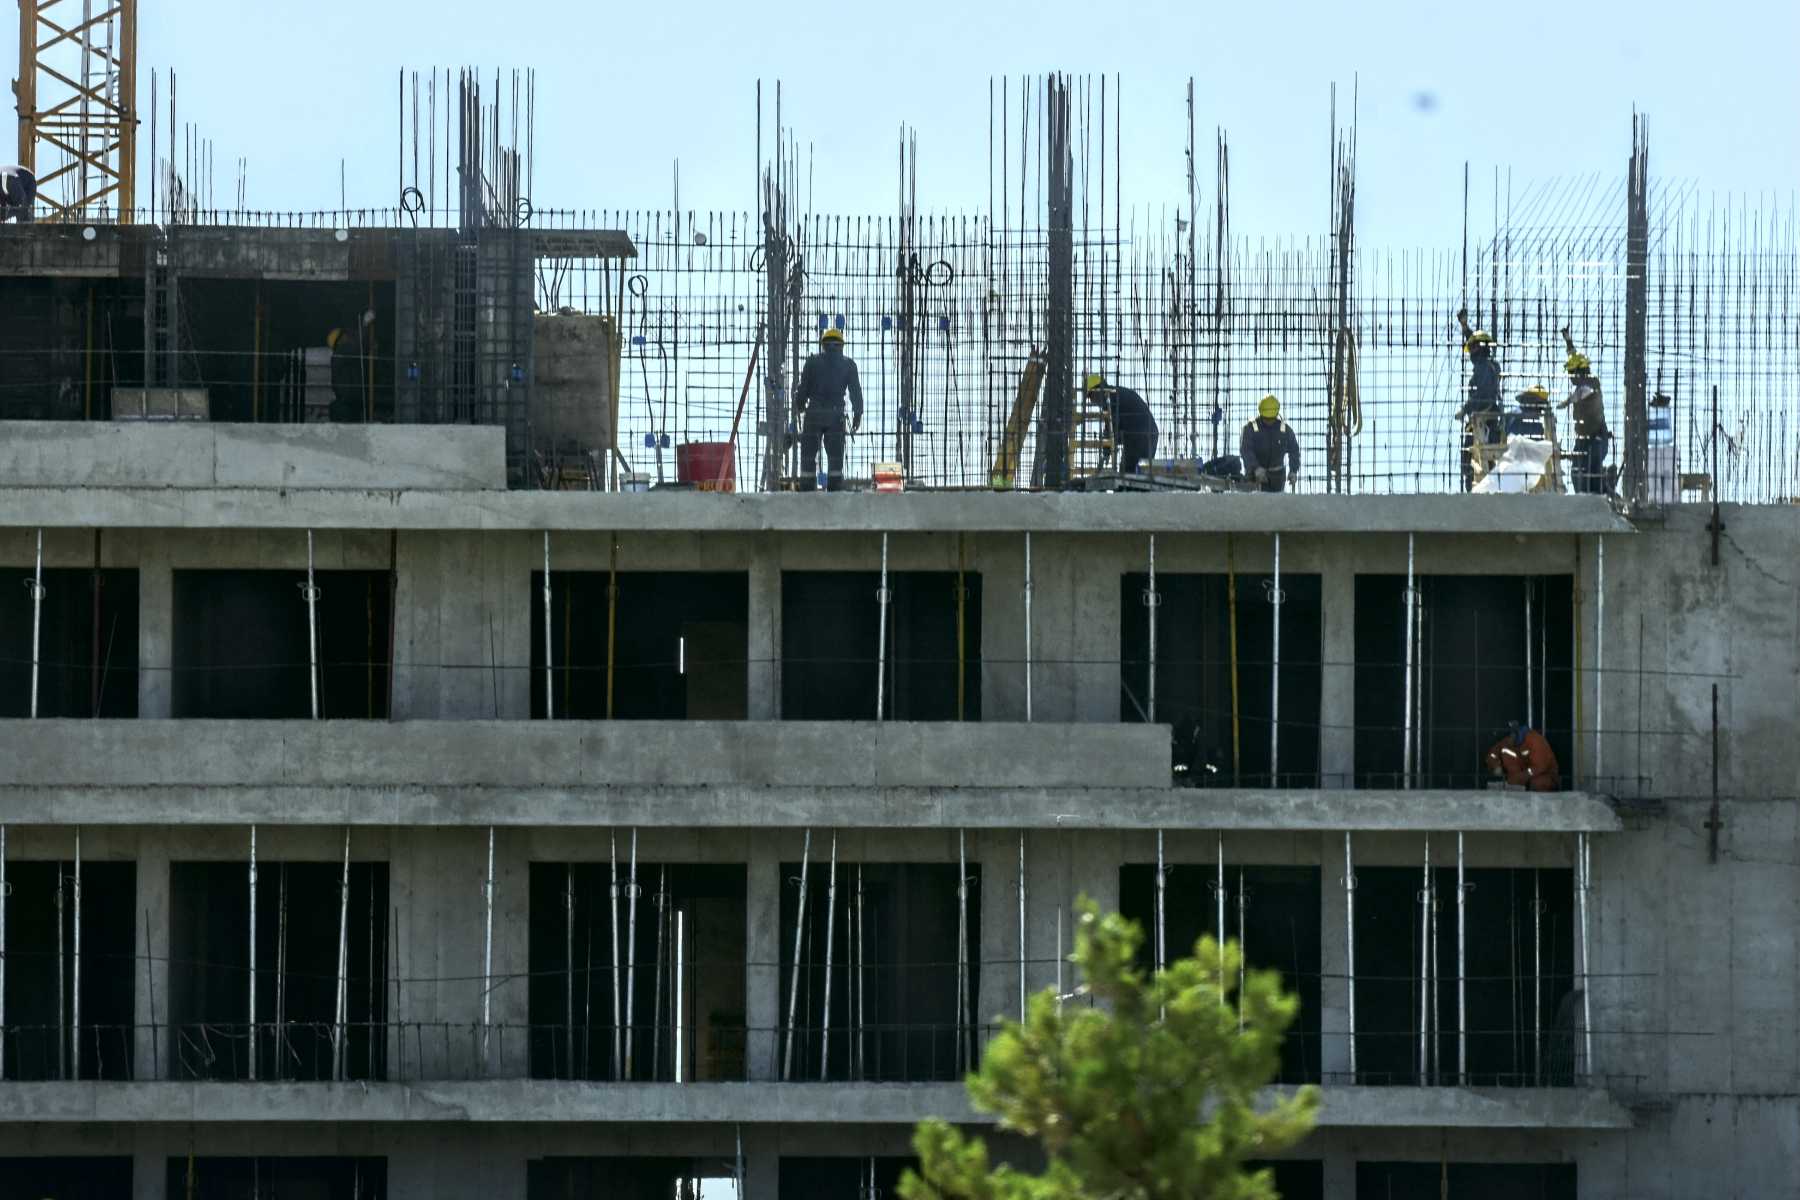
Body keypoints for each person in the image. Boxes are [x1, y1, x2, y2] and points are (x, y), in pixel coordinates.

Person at [794, 327, 864, 492]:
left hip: (814, 413)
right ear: (842, 346)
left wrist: (800, 404)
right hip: (835, 414)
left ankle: (806, 488)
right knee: (835, 454)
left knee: (808, 452)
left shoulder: (812, 362)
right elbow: (856, 391)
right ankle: (835, 488)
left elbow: (803, 388)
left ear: (823, 345)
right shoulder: (848, 365)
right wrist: (858, 414)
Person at [1558, 326, 1611, 495]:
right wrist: (1568, 340)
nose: (1571, 377)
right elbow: (1574, 356)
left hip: (1596, 439)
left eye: (1573, 374)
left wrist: (1565, 403)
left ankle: (1602, 494)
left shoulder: (1590, 385)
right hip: (1584, 438)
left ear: (1580, 372)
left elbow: (1580, 393)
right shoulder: (1582, 380)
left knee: (1591, 474)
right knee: (1577, 472)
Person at [1454, 308, 1502, 490]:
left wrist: (1464, 409)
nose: (1471, 352)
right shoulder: (1488, 365)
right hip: (1485, 420)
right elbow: (1476, 340)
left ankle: (1474, 493)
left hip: (1484, 421)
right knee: (1476, 463)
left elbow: (1482, 395)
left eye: (1473, 348)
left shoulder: (1484, 368)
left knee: (1473, 461)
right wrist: (1465, 327)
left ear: (1480, 349)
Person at [1084, 373, 1159, 474]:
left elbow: (1112, 427)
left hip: (1139, 435)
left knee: (1127, 473)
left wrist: (1106, 451)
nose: (1092, 401)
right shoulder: (1114, 394)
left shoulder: (1110, 398)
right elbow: (1113, 429)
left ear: (1096, 390)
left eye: (1090, 396)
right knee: (1140, 473)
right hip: (1148, 433)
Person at [1239, 395, 1300, 492]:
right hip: (1254, 477)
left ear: (1276, 415)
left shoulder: (1284, 430)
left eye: (1271, 418)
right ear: (1261, 414)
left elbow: (1294, 451)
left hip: (1277, 478)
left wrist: (1293, 470)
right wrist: (1255, 468)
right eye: (1266, 418)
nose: (1269, 421)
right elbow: (1246, 450)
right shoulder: (1250, 428)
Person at [1484, 720, 1561, 791]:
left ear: (1515, 733)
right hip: (1515, 782)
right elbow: (1492, 755)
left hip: (1542, 776)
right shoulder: (1507, 741)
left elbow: (1539, 767)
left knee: (1538, 784)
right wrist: (1495, 766)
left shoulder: (1535, 740)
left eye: (1510, 734)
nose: (1507, 739)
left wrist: (1517, 779)